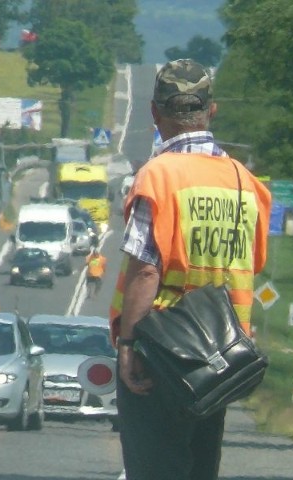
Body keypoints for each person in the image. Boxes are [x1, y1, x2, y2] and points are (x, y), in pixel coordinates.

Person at [109, 59, 271, 480]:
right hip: (222, 359)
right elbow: (250, 264)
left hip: (163, 354)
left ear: (154, 112)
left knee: (156, 469)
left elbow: (146, 271)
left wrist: (128, 346)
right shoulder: (245, 182)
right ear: (211, 110)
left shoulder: (158, 176)